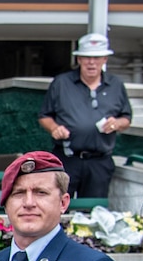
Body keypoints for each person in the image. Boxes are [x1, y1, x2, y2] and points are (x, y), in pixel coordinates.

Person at [37, 32, 132, 202]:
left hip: (99, 161)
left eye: (97, 57)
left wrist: (117, 123)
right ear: (79, 59)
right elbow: (44, 115)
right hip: (67, 158)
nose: (91, 62)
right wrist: (54, 128)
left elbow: (126, 118)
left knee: (94, 211)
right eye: (86, 57)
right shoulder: (61, 83)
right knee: (56, 206)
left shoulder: (116, 85)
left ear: (105, 59)